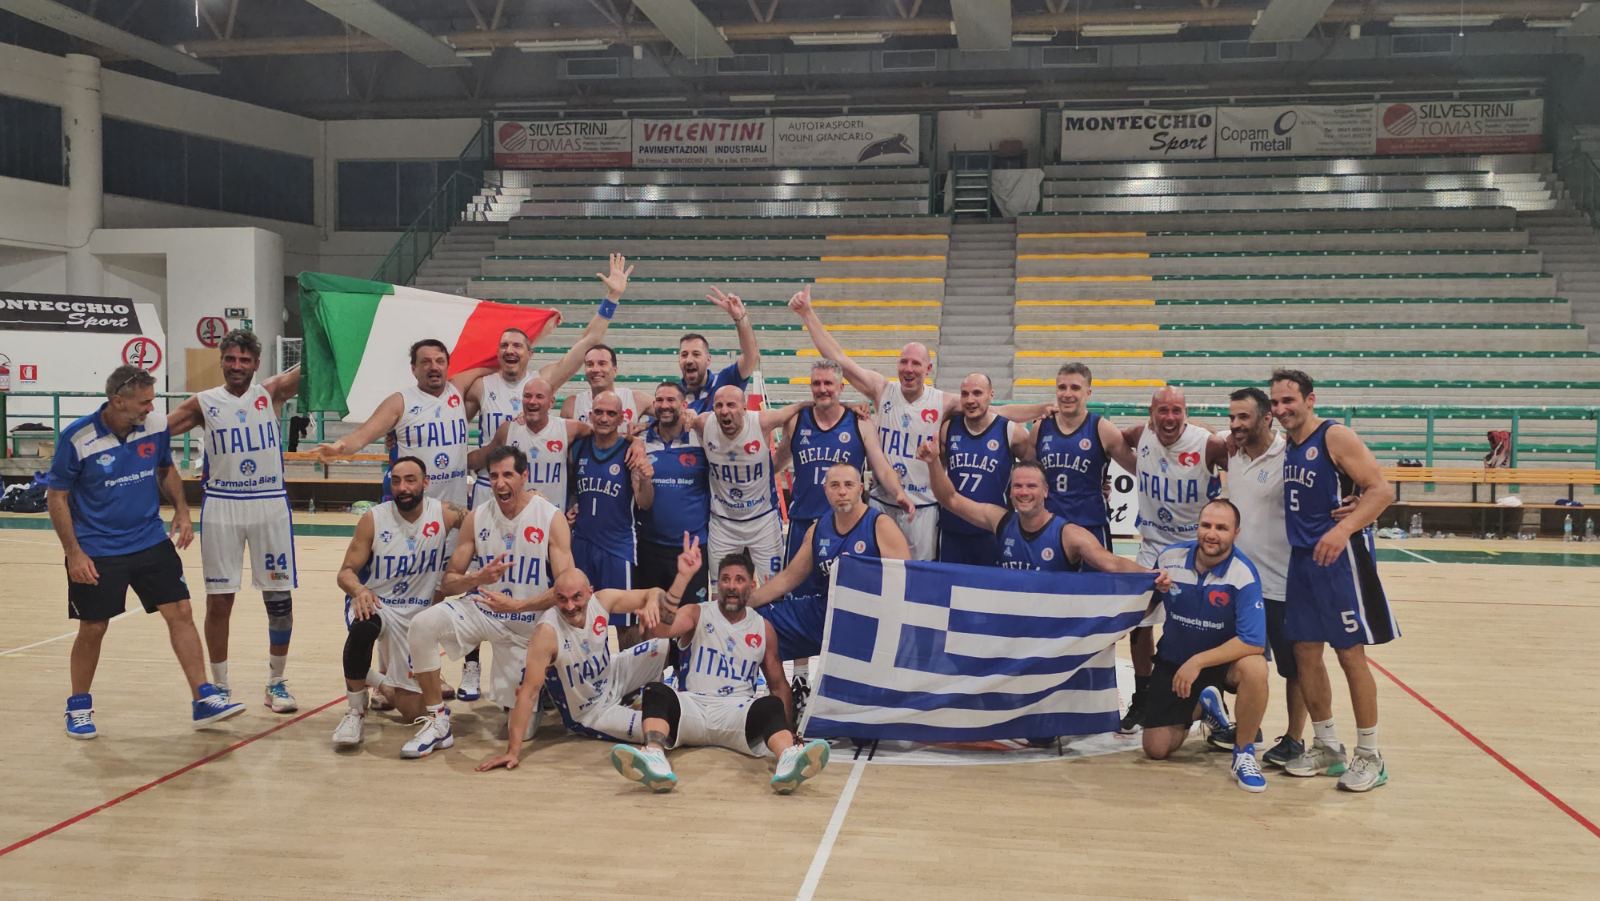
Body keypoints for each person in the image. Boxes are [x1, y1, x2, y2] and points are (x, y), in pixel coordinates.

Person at [48, 365, 245, 738]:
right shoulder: (78, 437)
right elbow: (56, 496)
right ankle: (78, 706)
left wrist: (182, 511)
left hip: (149, 539)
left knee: (181, 611)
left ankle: (203, 697)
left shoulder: (154, 425)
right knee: (94, 627)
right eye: (144, 402)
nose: (151, 408)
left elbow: (165, 469)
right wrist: (74, 553)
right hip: (98, 548)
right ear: (118, 401)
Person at [787, 286, 1045, 560]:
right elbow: (838, 359)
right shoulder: (881, 390)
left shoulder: (943, 401)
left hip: (924, 506)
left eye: (916, 363)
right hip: (882, 502)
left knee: (919, 575)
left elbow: (997, 410)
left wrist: (1043, 408)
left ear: (928, 369)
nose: (908, 369)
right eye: (904, 362)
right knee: (877, 570)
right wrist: (807, 314)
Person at [610, 543, 831, 794]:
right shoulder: (697, 613)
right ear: (718, 584)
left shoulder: (763, 628)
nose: (731, 586)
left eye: (739, 579)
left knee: (770, 704)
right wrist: (682, 578)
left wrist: (789, 731)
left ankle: (788, 758)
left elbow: (779, 686)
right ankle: (653, 756)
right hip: (693, 708)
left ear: (752, 586)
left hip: (736, 714)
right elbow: (660, 630)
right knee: (656, 691)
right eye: (725, 579)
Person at [1272, 369, 1399, 793]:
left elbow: (1381, 491)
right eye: (1276, 402)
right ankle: (1327, 746)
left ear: (1310, 400)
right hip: (1302, 559)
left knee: (1350, 654)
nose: (1281, 409)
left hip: (1340, 559)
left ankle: (1371, 755)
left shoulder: (1334, 436)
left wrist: (1344, 529)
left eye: (1289, 400)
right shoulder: (1289, 444)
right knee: (1305, 651)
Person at [400, 445, 572, 759]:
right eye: (493, 476)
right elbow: (449, 581)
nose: (500, 483)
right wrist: (477, 578)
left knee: (521, 730)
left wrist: (517, 606)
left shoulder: (550, 517)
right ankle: (438, 721)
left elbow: (566, 589)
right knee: (422, 625)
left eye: (508, 475)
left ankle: (544, 685)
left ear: (524, 476)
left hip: (528, 625)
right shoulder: (477, 517)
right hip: (485, 610)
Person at [164, 329, 302, 711]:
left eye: (244, 359)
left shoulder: (271, 393)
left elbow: (314, 368)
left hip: (269, 503)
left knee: (279, 600)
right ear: (221, 361)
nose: (237, 365)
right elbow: (155, 432)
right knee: (220, 600)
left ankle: (276, 682)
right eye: (230, 359)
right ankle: (220, 685)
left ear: (257, 364)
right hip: (223, 504)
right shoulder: (204, 402)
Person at [464, 253, 628, 508]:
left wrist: (613, 297)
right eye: (504, 346)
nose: (510, 350)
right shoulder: (480, 385)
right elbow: (450, 419)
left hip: (542, 486)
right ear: (497, 352)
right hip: (491, 486)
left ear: (530, 353)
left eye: (517, 346)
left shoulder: (543, 379)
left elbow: (590, 340)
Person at [474, 570, 677, 772]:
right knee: (660, 728)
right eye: (562, 599)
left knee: (665, 644)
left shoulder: (603, 600)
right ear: (554, 597)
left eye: (576, 597)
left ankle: (685, 692)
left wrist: (652, 601)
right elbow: (528, 693)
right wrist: (512, 751)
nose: (570, 606)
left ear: (590, 592)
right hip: (592, 712)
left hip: (612, 674)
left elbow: (654, 593)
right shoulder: (546, 633)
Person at [1110, 386, 1227, 733]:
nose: (1170, 417)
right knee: (1139, 622)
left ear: (1186, 413)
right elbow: (1113, 444)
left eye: (1177, 410)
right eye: (1163, 410)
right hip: (1153, 545)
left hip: (1195, 548)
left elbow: (1245, 467)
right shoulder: (1139, 434)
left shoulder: (1207, 443)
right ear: (1151, 413)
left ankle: (1214, 699)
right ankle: (1143, 696)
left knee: (1205, 626)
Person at [330, 456, 466, 747]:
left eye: (410, 480)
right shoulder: (374, 519)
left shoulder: (444, 513)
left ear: (426, 483)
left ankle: (377, 680)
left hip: (417, 615)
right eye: (396, 481)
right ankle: (355, 711)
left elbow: (483, 520)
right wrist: (359, 590)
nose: (402, 487)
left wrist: (528, 500)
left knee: (412, 712)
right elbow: (345, 573)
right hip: (378, 603)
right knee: (364, 626)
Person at [1142, 499, 1271, 794]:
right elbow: (1143, 609)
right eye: (1206, 525)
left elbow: (1252, 641)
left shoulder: (1243, 573)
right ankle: (1205, 707)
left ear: (1236, 533)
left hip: (1221, 664)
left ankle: (1244, 754)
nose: (1212, 534)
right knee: (1156, 749)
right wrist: (1150, 592)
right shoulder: (1169, 558)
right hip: (1175, 661)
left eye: (1221, 528)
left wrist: (1198, 661)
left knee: (1255, 667)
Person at [920, 446, 1169, 582]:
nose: (1023, 492)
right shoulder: (1000, 520)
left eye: (1031, 486)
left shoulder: (1068, 534)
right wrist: (933, 463)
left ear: (1045, 491)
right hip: (1013, 625)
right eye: (1018, 486)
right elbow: (950, 499)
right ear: (1010, 491)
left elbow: (1111, 563)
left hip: (1050, 633)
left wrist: (1149, 575)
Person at [775, 357, 913, 599]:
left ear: (841, 387)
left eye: (828, 383)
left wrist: (899, 492)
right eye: (816, 383)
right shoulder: (796, 421)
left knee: (848, 597)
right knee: (798, 597)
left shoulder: (860, 423)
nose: (822, 389)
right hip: (803, 521)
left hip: (846, 527)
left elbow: (881, 466)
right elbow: (777, 461)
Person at [748, 463, 910, 662]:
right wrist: (745, 604)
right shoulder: (818, 529)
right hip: (827, 612)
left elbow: (906, 582)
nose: (842, 491)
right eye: (834, 485)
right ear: (825, 490)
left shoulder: (881, 525)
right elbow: (788, 578)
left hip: (867, 617)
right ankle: (775, 682)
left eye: (848, 485)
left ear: (860, 488)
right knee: (757, 621)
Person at [1223, 386, 1302, 768]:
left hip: (1282, 583)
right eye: (1232, 417)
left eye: (1244, 417)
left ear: (1267, 418)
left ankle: (1295, 738)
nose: (1236, 424)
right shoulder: (1231, 453)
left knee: (1294, 668)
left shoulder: (1290, 455)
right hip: (1240, 584)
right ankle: (1247, 728)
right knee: (1242, 666)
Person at [315, 339, 473, 506]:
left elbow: (489, 365)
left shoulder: (458, 388)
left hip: (456, 506)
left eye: (440, 361)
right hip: (414, 506)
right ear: (413, 369)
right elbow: (362, 435)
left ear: (447, 365)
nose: (434, 367)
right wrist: (339, 446)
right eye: (425, 362)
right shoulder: (400, 402)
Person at [692, 385, 807, 584]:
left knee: (774, 587)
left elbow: (797, 408)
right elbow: (678, 416)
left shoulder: (761, 421)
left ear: (744, 408)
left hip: (763, 521)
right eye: (719, 405)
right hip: (723, 523)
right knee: (721, 589)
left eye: (731, 405)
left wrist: (851, 407)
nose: (724, 411)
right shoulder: (704, 423)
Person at [570, 390, 654, 640]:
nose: (604, 418)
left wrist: (645, 481)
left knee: (625, 624)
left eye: (610, 413)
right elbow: (573, 490)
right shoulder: (578, 447)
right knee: (580, 618)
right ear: (590, 415)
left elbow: (645, 503)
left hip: (618, 547)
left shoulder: (630, 451)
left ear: (621, 418)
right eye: (598, 412)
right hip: (582, 543)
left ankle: (632, 668)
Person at [935, 373, 1034, 566]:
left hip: (993, 530)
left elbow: (1035, 470)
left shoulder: (1012, 432)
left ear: (991, 395)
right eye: (965, 394)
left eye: (977, 393)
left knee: (991, 584)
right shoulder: (948, 429)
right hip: (952, 529)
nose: (970, 400)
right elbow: (939, 470)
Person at [1034, 362, 1131, 549]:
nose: (1067, 394)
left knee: (1099, 570)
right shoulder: (1040, 428)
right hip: (1050, 526)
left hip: (1091, 526)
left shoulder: (1102, 429)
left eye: (1075, 388)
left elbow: (1140, 470)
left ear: (1088, 392)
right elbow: (1026, 472)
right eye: (1062, 387)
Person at [634, 383, 711, 606]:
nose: (664, 405)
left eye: (671, 400)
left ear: (684, 405)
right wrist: (645, 479)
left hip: (692, 548)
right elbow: (643, 503)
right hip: (650, 547)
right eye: (659, 400)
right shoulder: (640, 442)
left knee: (688, 618)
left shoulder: (701, 438)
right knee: (651, 617)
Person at [466, 376, 589, 509]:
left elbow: (599, 432)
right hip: (517, 514)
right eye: (527, 396)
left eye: (539, 396)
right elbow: (485, 456)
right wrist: (461, 462)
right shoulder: (508, 430)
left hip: (553, 514)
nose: (532, 401)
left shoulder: (568, 428)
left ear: (551, 402)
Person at [677, 286, 762, 414]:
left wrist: (740, 318)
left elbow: (751, 357)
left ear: (708, 359)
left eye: (696, 354)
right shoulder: (672, 395)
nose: (689, 360)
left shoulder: (725, 381)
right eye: (684, 355)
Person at [561, 343, 651, 425]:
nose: (595, 369)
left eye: (602, 364)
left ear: (615, 370)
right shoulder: (572, 405)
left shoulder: (635, 399)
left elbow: (660, 412)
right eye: (590, 364)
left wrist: (646, 426)